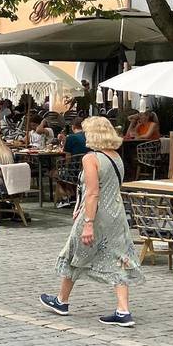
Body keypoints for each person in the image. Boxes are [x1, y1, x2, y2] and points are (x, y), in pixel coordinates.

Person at [42, 117, 141, 327]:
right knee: (118, 257)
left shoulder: (91, 158)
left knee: (75, 251)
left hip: (96, 214)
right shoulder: (116, 156)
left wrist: (88, 222)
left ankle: (62, 300)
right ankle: (123, 310)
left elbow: (93, 193)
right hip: (116, 214)